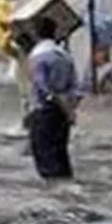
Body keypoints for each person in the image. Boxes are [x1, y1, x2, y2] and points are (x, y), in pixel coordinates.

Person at [27, 16, 80, 180]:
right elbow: (75, 87)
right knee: (61, 153)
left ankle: (54, 197)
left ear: (35, 34)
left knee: (45, 156)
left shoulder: (38, 57)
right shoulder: (64, 56)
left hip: (45, 111)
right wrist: (70, 109)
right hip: (63, 113)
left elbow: (42, 87)